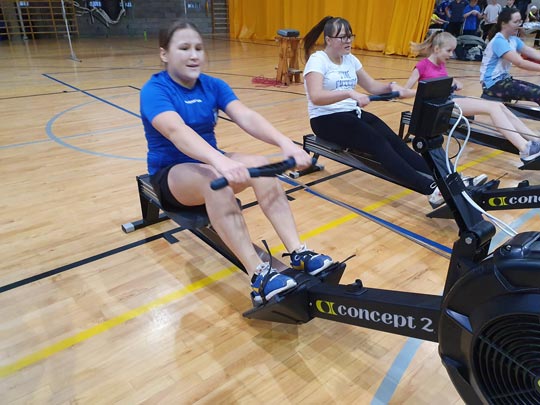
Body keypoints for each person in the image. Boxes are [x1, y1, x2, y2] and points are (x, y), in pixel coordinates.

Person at [140, 20, 334, 305]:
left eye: (198, 48)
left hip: (210, 164)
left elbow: (246, 116)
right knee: (214, 182)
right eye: (184, 48)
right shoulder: (155, 90)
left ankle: (298, 251)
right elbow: (176, 131)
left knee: (262, 167)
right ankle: (258, 274)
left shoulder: (212, 86)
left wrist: (285, 143)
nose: (193, 55)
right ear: (164, 54)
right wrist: (219, 161)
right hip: (172, 174)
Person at [301, 16, 485, 208]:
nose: (348, 41)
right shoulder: (318, 60)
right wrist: (349, 93)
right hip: (325, 119)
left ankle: (453, 178)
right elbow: (316, 96)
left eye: (350, 36)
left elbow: (372, 86)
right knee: (378, 143)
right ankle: (431, 189)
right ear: (329, 40)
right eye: (342, 37)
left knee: (398, 144)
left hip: (351, 114)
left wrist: (391, 87)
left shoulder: (350, 59)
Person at [406, 31, 540, 162]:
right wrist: (426, 91)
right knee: (492, 109)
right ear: (436, 49)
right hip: (438, 107)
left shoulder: (440, 64)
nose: (451, 54)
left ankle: (535, 140)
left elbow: (441, 80)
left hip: (448, 100)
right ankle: (524, 148)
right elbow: (406, 91)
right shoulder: (422, 66)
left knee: (498, 105)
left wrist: (454, 82)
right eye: (449, 51)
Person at [481, 7, 540, 110]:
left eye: (520, 21)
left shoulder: (513, 40)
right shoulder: (499, 41)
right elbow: (520, 62)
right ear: (504, 23)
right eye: (515, 22)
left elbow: (532, 52)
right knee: (538, 94)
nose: (519, 25)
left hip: (504, 80)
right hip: (493, 85)